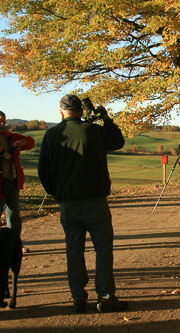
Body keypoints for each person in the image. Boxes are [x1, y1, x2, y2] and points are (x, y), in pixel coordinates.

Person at [38, 94, 128, 314]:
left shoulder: (50, 135)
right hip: (95, 201)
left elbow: (43, 171)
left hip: (67, 202)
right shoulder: (95, 131)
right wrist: (105, 119)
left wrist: (56, 192)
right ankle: (106, 297)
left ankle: (78, 298)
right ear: (80, 111)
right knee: (103, 249)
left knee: (74, 250)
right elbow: (118, 141)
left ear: (61, 112)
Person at [0, 111, 35, 252]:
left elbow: (31, 142)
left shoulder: (9, 136)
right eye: (0, 121)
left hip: (12, 182)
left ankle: (14, 246)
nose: (3, 124)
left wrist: (23, 142)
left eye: (4, 121)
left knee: (14, 216)